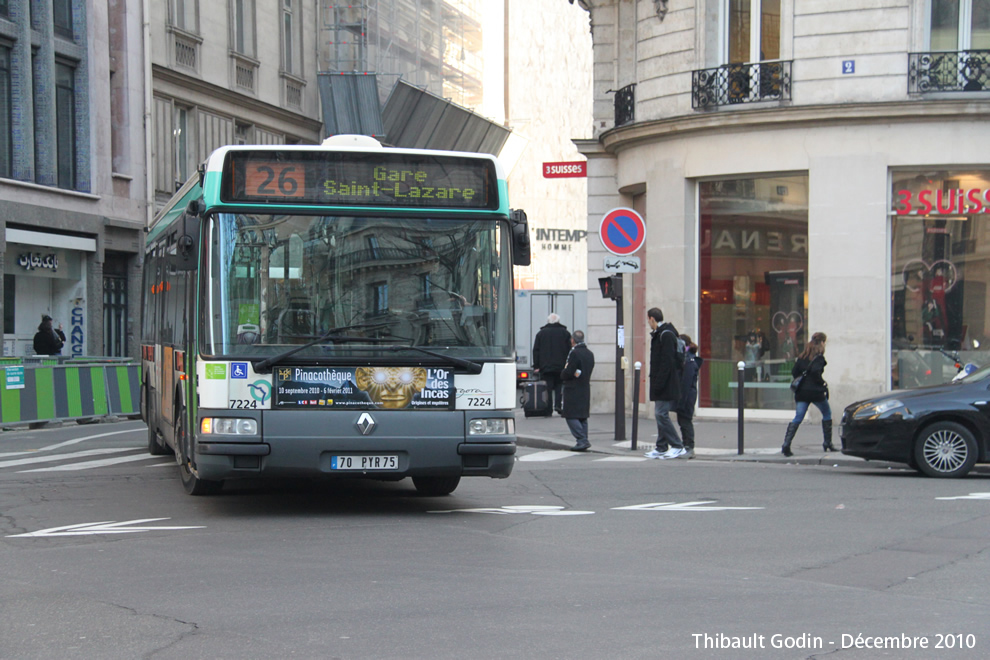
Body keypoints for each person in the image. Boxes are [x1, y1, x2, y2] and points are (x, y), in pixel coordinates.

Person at [781, 331, 834, 456]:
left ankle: (786, 444)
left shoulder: (802, 356)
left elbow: (794, 372)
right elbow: (816, 374)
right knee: (827, 413)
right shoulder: (819, 358)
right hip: (815, 392)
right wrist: (822, 383)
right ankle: (827, 443)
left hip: (802, 392)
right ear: (822, 343)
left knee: (798, 417)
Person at [644, 307, 686, 459]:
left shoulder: (665, 335)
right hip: (663, 381)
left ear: (652, 319)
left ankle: (677, 445)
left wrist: (658, 383)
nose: (648, 322)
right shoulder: (662, 334)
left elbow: (667, 361)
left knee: (661, 414)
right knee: (661, 414)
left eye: (648, 319)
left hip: (666, 382)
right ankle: (661, 446)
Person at [560, 330, 595, 451]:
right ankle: (583, 439)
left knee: (570, 415)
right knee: (582, 416)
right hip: (585, 387)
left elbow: (568, 371)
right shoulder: (589, 353)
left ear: (573, 340)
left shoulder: (574, 353)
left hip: (573, 388)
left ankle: (582, 440)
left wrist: (563, 373)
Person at [532, 313, 571, 415]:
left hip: (546, 366)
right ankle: (558, 405)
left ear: (548, 321)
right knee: (559, 386)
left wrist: (536, 366)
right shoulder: (565, 333)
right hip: (561, 366)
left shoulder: (541, 334)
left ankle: (548, 409)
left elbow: (536, 350)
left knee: (547, 388)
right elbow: (569, 350)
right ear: (558, 321)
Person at [675, 334, 703, 460]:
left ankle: (689, 447)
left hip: (687, 396)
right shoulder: (687, 359)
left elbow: (686, 382)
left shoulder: (689, 361)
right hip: (686, 395)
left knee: (685, 421)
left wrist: (681, 400)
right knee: (683, 421)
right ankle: (686, 446)